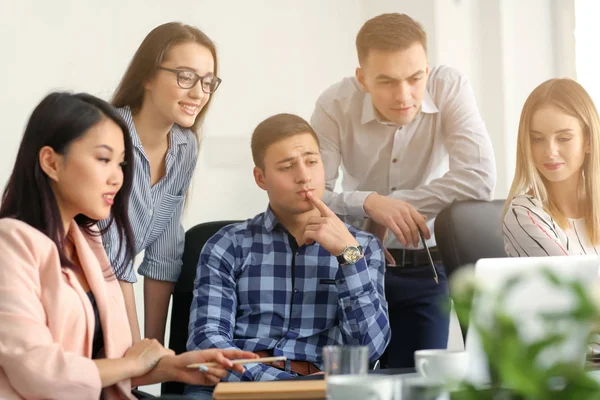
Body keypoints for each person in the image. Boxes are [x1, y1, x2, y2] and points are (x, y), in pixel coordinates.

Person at [0, 92, 256, 399]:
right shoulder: (11, 243)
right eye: (104, 159)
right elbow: (42, 373)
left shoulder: (89, 242)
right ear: (51, 162)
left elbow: (112, 365)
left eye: (121, 164)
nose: (117, 178)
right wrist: (132, 363)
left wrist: (174, 367)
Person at [310, 13, 496, 368]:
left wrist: (390, 207)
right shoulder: (333, 104)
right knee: (349, 383)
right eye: (387, 82)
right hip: (352, 265)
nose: (404, 95)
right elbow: (315, 197)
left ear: (427, 67)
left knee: (418, 382)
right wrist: (368, 203)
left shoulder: (450, 86)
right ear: (362, 78)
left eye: (415, 77)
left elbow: (478, 177)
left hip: (424, 268)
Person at [185, 114, 390, 398]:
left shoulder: (362, 247)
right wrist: (284, 385)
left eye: (311, 161)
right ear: (261, 178)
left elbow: (370, 350)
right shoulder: (227, 244)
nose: (304, 175)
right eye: (287, 166)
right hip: (239, 388)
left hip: (323, 389)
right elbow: (207, 344)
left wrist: (348, 257)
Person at [99, 22, 222, 344]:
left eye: (208, 82)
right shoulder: (106, 137)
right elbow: (112, 256)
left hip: (107, 298)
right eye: (185, 77)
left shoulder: (184, 147)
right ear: (148, 77)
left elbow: (164, 254)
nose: (198, 93)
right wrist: (136, 359)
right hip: (67, 296)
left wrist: (152, 351)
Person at [503, 78, 600, 256]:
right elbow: (574, 282)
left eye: (564, 138)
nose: (550, 152)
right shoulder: (524, 214)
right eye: (537, 139)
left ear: (588, 141)